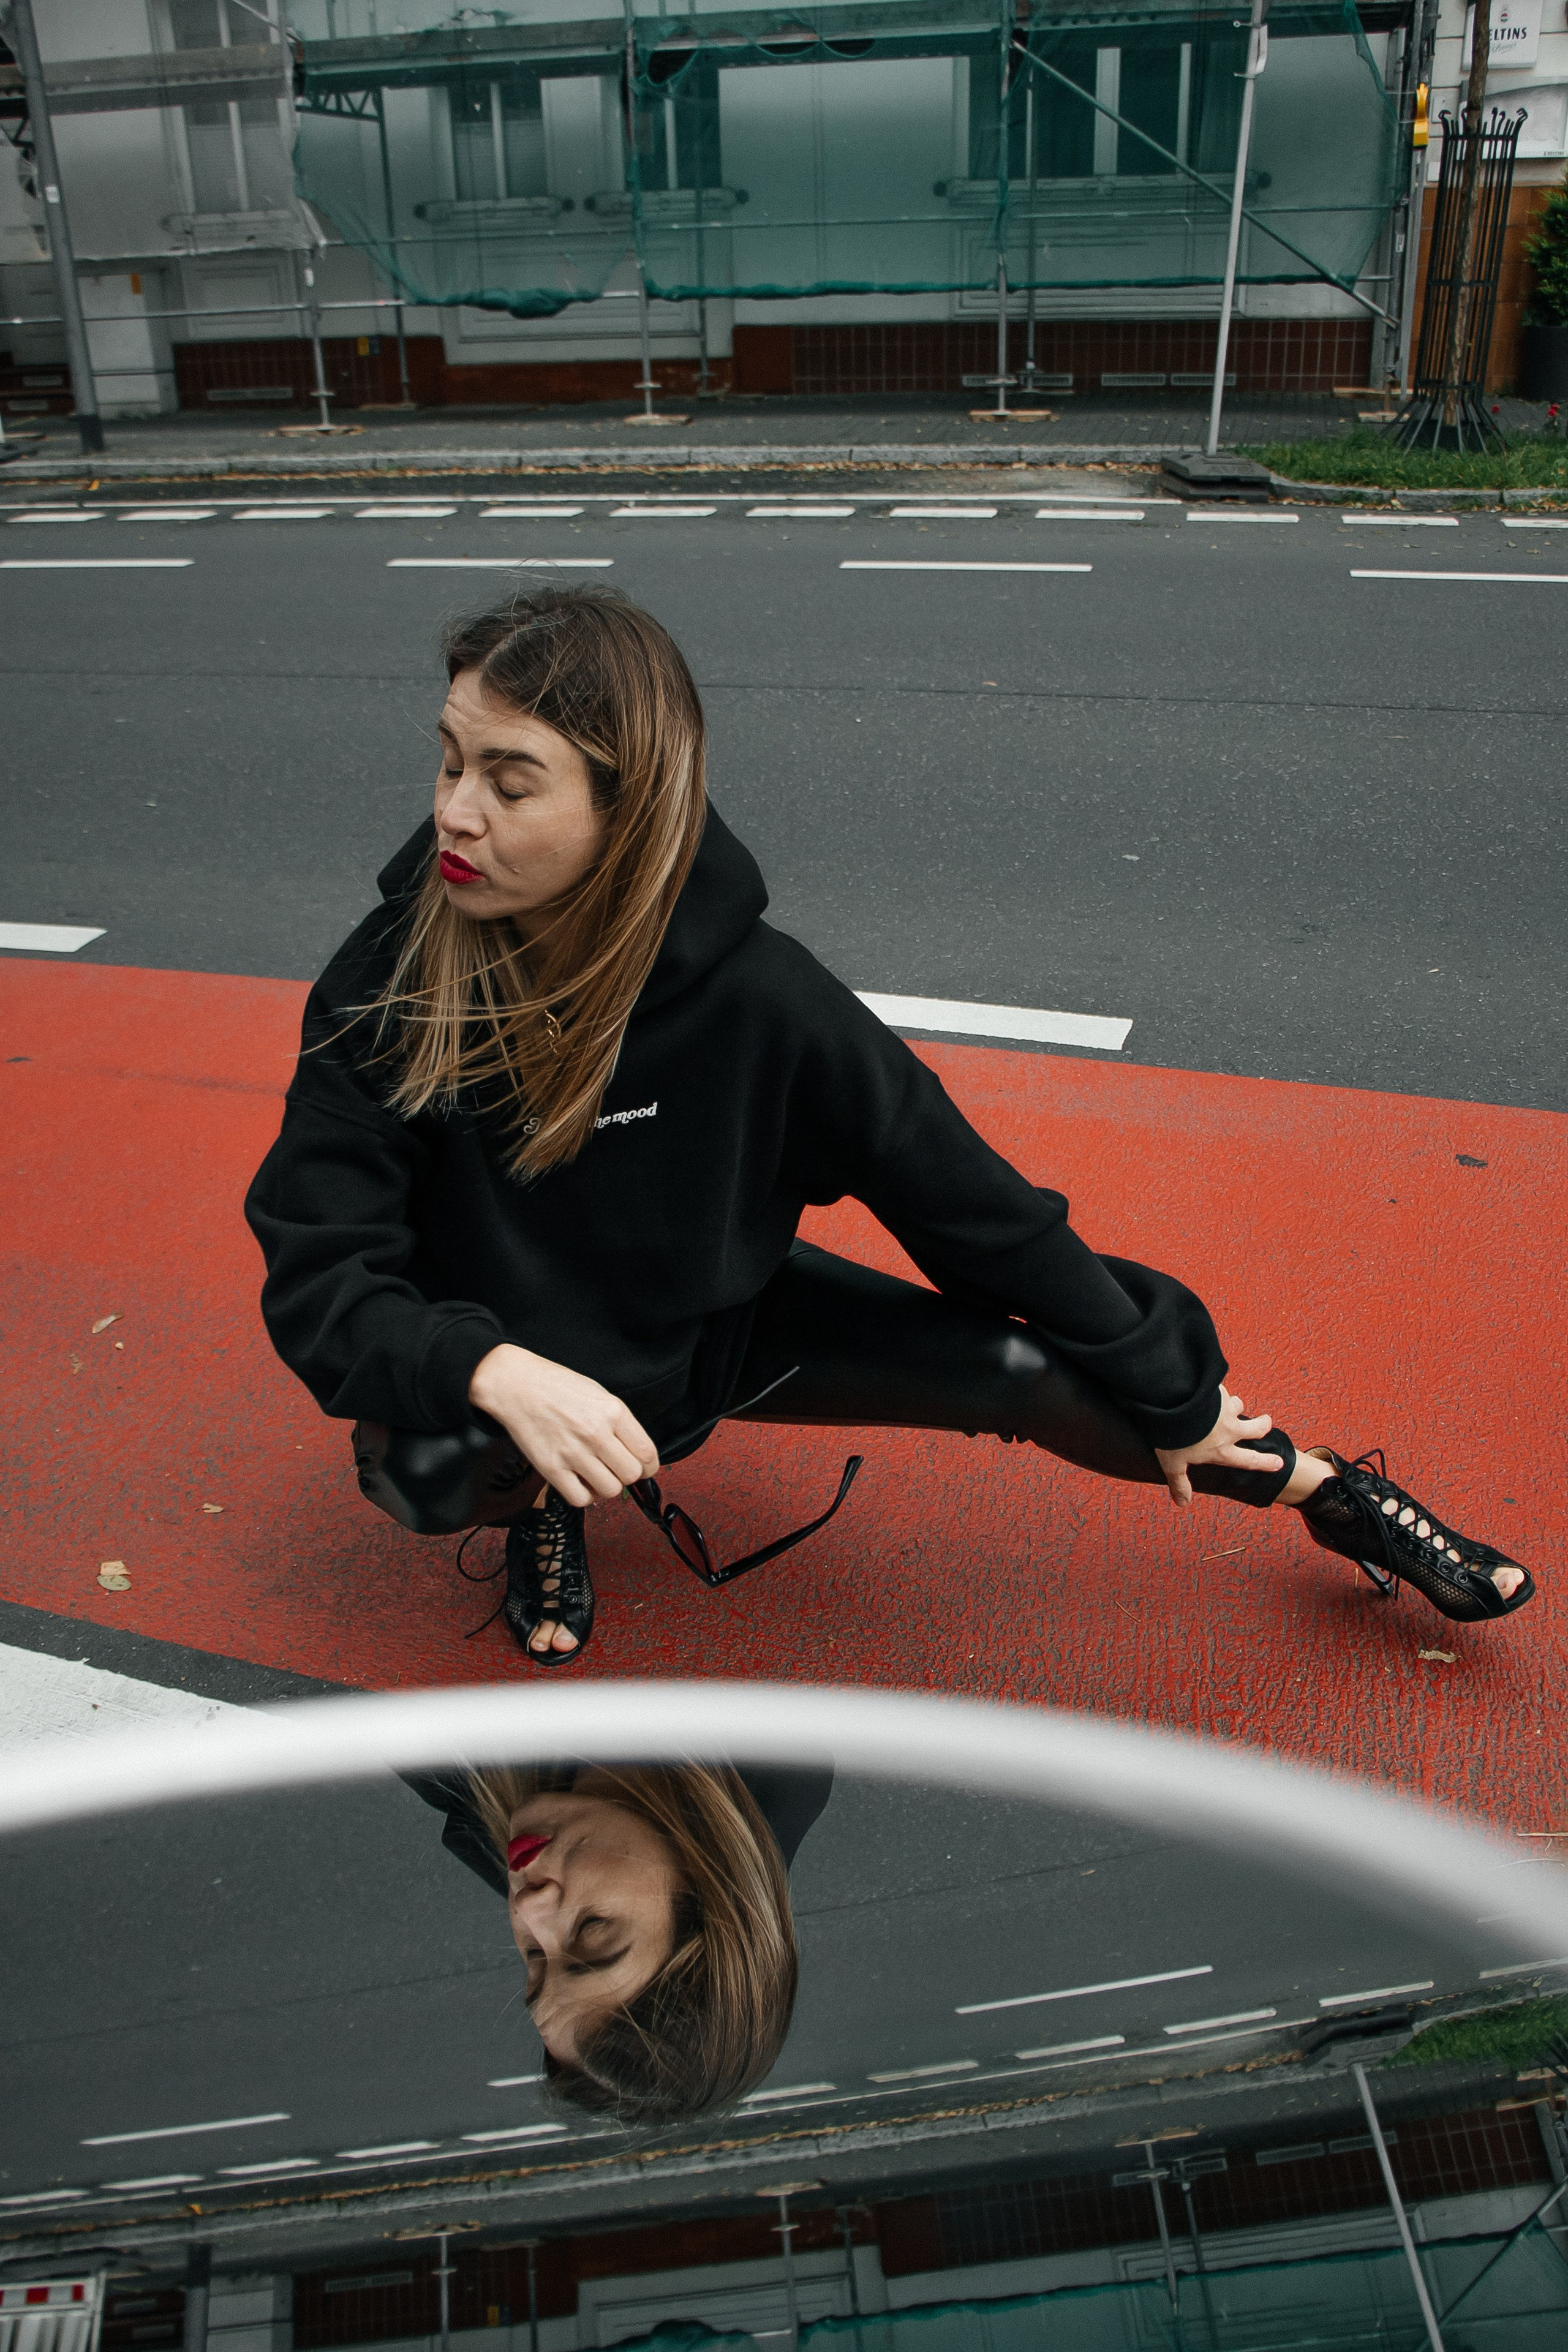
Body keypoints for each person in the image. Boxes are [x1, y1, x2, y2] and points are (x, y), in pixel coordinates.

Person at [245, 584, 1534, 1664]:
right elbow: (320, 1264)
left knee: (1024, 1373)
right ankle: (542, 1499)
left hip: (718, 1331)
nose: (452, 812)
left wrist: (1175, 1391)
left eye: (509, 782)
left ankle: (1335, 1497)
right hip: (519, 1353)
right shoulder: (392, 980)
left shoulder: (762, 1001)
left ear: (624, 810)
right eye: (450, 760)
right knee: (429, 1458)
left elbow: (971, 1212)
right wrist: (492, 1369)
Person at [404, 1759, 831, 2120]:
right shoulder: (786, 1724)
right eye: (593, 1929)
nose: (527, 1909)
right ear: (708, 1888)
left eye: (534, 1956)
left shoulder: (526, 1840)